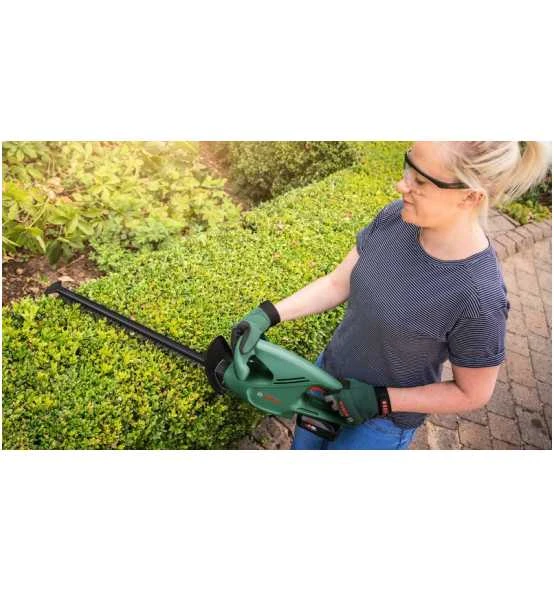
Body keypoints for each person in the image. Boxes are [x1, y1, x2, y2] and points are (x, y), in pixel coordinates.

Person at [231, 142, 552, 450]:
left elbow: (473, 393)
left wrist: (381, 400)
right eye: (408, 166)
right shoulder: (396, 218)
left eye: (421, 182)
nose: (402, 185)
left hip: (379, 426)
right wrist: (268, 314)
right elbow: (337, 284)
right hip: (324, 380)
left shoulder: (479, 296)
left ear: (470, 196)